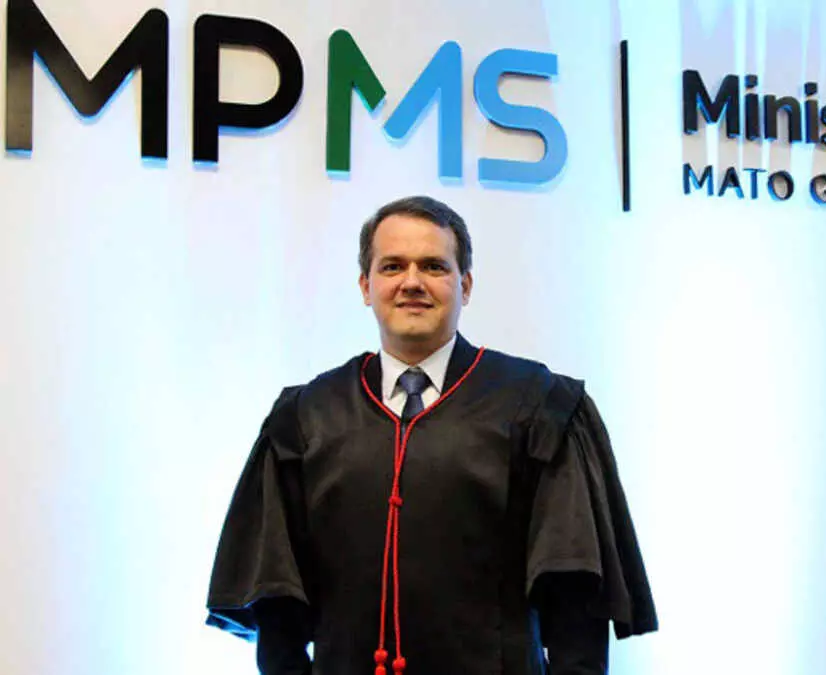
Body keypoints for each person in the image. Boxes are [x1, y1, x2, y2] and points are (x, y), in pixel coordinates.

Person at [205, 196, 656, 675]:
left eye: (434, 266)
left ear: (465, 285)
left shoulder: (537, 407)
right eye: (392, 266)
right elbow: (277, 595)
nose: (412, 282)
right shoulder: (306, 417)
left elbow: (574, 594)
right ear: (366, 286)